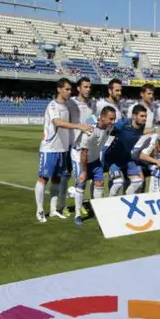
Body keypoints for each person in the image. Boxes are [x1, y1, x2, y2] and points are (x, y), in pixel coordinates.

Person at [35, 78, 93, 223]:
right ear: (59, 89)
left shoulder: (67, 106)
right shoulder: (52, 105)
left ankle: (53, 210)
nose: (69, 92)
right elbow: (57, 122)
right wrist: (78, 126)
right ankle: (40, 210)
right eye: (66, 89)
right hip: (49, 148)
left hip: (63, 149)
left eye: (70, 89)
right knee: (43, 178)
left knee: (56, 180)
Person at [72, 106, 116, 226]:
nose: (112, 122)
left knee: (99, 183)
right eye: (110, 119)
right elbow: (83, 153)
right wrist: (84, 171)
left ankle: (98, 211)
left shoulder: (109, 126)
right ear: (102, 118)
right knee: (81, 183)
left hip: (95, 158)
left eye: (114, 119)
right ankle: (77, 215)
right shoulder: (90, 131)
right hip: (80, 158)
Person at [65, 76, 97, 217]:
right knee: (73, 177)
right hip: (74, 146)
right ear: (78, 88)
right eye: (85, 87)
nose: (88, 89)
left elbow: (93, 121)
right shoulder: (70, 103)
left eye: (89, 87)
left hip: (88, 147)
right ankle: (67, 206)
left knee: (84, 178)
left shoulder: (92, 104)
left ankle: (80, 203)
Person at [104, 104, 148, 196]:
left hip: (127, 158)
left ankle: (126, 199)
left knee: (138, 182)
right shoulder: (123, 123)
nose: (144, 118)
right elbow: (108, 131)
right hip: (113, 158)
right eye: (142, 116)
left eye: (145, 116)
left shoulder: (142, 126)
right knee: (118, 183)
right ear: (134, 116)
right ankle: (110, 202)